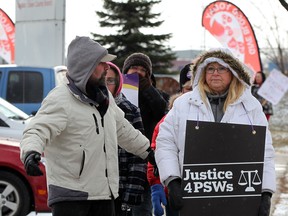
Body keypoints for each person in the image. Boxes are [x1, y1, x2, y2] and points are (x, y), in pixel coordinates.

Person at [19, 36, 156, 216]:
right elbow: (37, 130)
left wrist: (148, 152)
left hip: (104, 194)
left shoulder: (104, 96)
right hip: (71, 197)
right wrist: (30, 152)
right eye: (101, 63)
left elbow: (123, 128)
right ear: (87, 66)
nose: (107, 67)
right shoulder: (60, 99)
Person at [155, 49, 276, 216]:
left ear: (233, 72)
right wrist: (173, 180)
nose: (215, 73)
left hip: (239, 198)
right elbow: (165, 143)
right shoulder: (183, 105)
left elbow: (265, 152)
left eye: (221, 68)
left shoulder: (250, 107)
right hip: (196, 196)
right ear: (203, 73)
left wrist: (266, 192)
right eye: (210, 69)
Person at [122, 53, 169, 215]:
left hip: (145, 161)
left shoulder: (157, 94)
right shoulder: (115, 92)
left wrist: (148, 89)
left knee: (141, 210)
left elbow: (162, 111)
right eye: (134, 68)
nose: (138, 72)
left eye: (143, 70)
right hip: (120, 162)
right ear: (125, 70)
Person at [147, 63, 194, 216]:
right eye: (188, 88)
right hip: (175, 192)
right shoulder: (170, 119)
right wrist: (156, 185)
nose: (192, 93)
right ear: (181, 89)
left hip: (206, 188)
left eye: (196, 88)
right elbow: (158, 150)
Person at [106, 62, 147, 216]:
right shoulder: (86, 108)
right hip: (94, 192)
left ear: (118, 83)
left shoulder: (130, 110)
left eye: (110, 80)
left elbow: (138, 155)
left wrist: (132, 192)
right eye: (103, 79)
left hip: (121, 189)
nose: (106, 84)